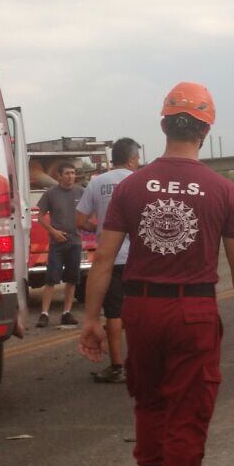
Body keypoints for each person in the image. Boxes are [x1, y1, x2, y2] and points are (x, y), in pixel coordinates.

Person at [78, 82, 234, 466]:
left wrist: (92, 319)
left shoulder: (131, 186)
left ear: (163, 124)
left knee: (150, 404)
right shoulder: (224, 191)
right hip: (192, 311)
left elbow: (102, 259)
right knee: (188, 410)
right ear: (205, 129)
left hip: (140, 309)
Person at [76, 137, 140, 383]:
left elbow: (79, 221)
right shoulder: (139, 181)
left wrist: (102, 229)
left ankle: (117, 367)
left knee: (114, 314)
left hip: (109, 260)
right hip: (139, 259)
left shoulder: (97, 183)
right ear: (132, 159)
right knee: (142, 312)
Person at [36, 163, 84, 328]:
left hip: (75, 241)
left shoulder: (81, 192)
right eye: (67, 173)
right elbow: (40, 217)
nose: (71, 176)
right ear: (59, 176)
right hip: (57, 243)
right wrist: (53, 231)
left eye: (73, 173)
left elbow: (88, 212)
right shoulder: (51, 193)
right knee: (51, 279)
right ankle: (44, 314)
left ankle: (66, 313)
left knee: (72, 279)